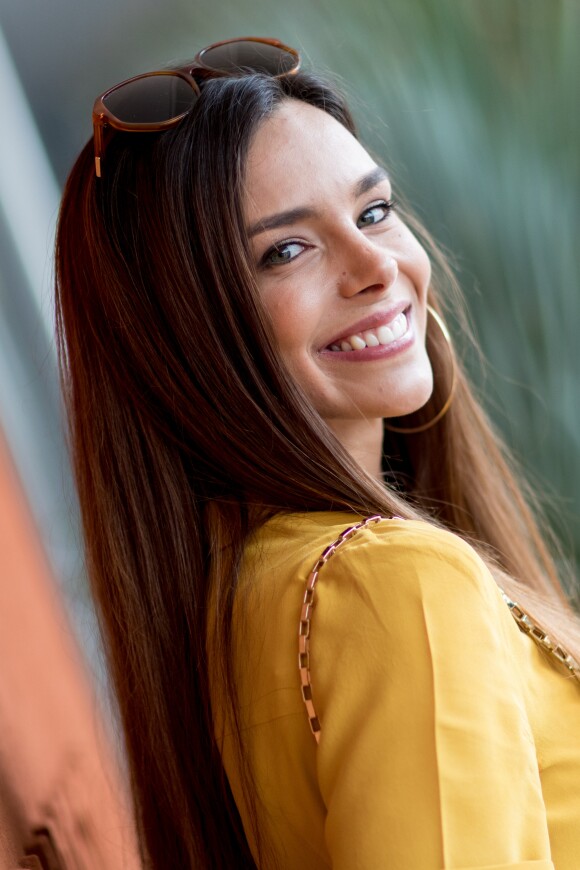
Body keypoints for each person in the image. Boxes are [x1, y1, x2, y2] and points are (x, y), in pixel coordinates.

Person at [54, 37, 580, 869]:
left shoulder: (245, 601)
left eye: (373, 212)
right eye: (286, 251)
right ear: (187, 342)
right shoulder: (393, 584)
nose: (379, 266)